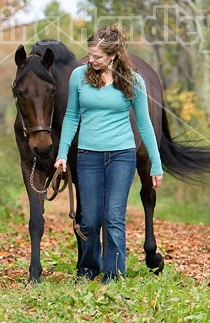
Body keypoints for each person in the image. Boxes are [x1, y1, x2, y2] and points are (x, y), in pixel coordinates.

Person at [54, 25, 163, 283]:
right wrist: (61, 153)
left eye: (97, 57)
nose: (91, 60)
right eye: (90, 54)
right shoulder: (79, 76)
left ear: (113, 55)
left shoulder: (133, 81)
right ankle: (88, 269)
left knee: (114, 217)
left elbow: (145, 124)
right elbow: (71, 116)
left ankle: (113, 275)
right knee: (89, 219)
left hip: (121, 157)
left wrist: (156, 164)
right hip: (88, 156)